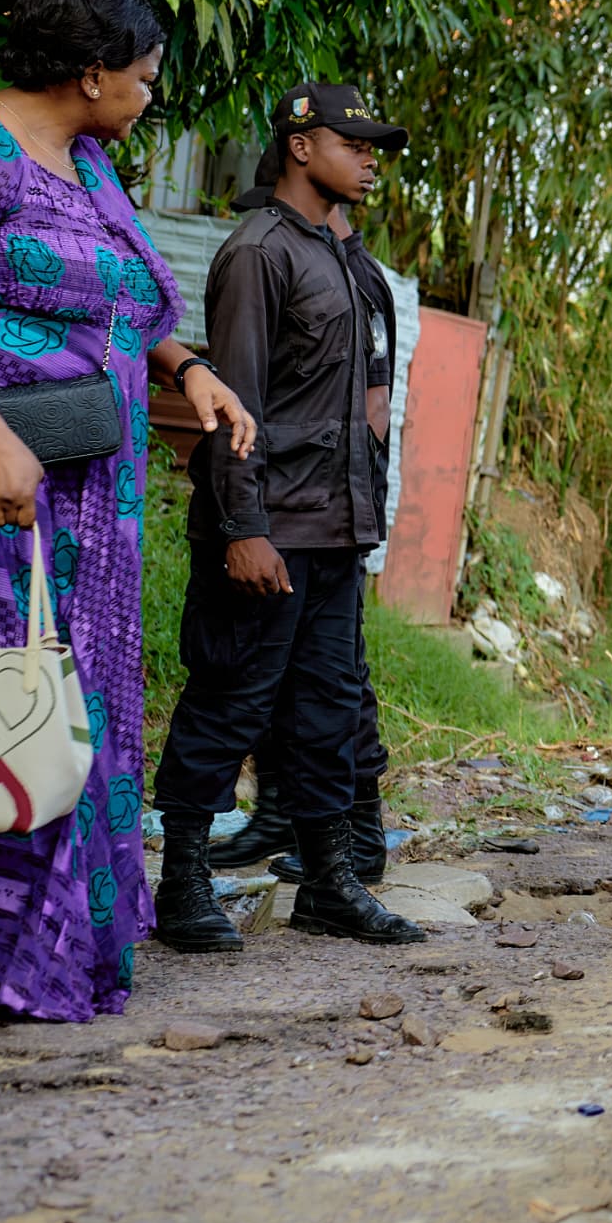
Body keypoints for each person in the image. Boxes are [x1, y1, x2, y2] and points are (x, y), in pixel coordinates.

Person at [0, 0, 254, 1018]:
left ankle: (40, 951)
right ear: (92, 73)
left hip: (91, 508)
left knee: (57, 706)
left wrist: (187, 367)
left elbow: (121, 303)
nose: (150, 96)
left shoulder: (88, 162)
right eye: (144, 77)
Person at [150, 83, 423, 949]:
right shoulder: (259, 252)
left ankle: (329, 884)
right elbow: (233, 403)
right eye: (356, 144)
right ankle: (182, 885)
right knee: (229, 701)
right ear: (302, 147)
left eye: (375, 148)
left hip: (335, 530)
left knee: (327, 711)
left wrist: (361, 520)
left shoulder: (342, 255)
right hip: (270, 530)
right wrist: (244, 529)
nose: (371, 161)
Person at [210, 172, 402, 885]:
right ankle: (278, 814)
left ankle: (361, 834)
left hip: (330, 505)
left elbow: (375, 402)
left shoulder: (359, 277)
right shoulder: (277, 254)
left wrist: (343, 494)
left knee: (339, 677)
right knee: (275, 670)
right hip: (288, 500)